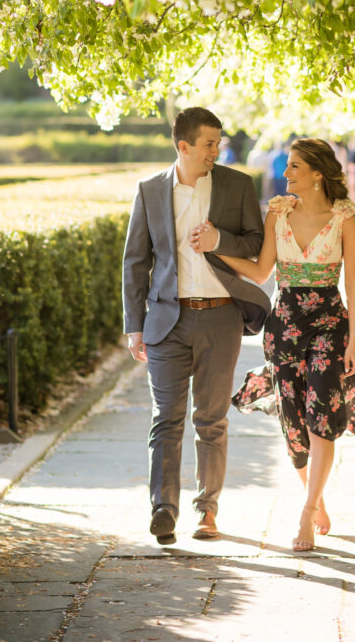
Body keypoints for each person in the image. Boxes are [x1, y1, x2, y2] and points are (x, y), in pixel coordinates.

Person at [192, 137, 355, 552]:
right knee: (294, 422)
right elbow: (263, 270)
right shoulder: (278, 212)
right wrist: (216, 248)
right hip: (283, 327)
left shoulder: (345, 218)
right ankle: (315, 497)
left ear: (318, 173)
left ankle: (305, 511)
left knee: (322, 414)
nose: (285, 173)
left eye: (295, 166)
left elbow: (352, 282)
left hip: (329, 325)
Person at [123, 106, 270, 544]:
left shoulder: (236, 184)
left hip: (221, 316)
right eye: (208, 143)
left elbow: (257, 243)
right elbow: (136, 262)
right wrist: (135, 325)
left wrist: (218, 240)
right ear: (183, 146)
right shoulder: (149, 191)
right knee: (165, 419)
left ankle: (207, 511)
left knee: (211, 419)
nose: (216, 151)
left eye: (218, 143)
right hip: (166, 320)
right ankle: (163, 509)